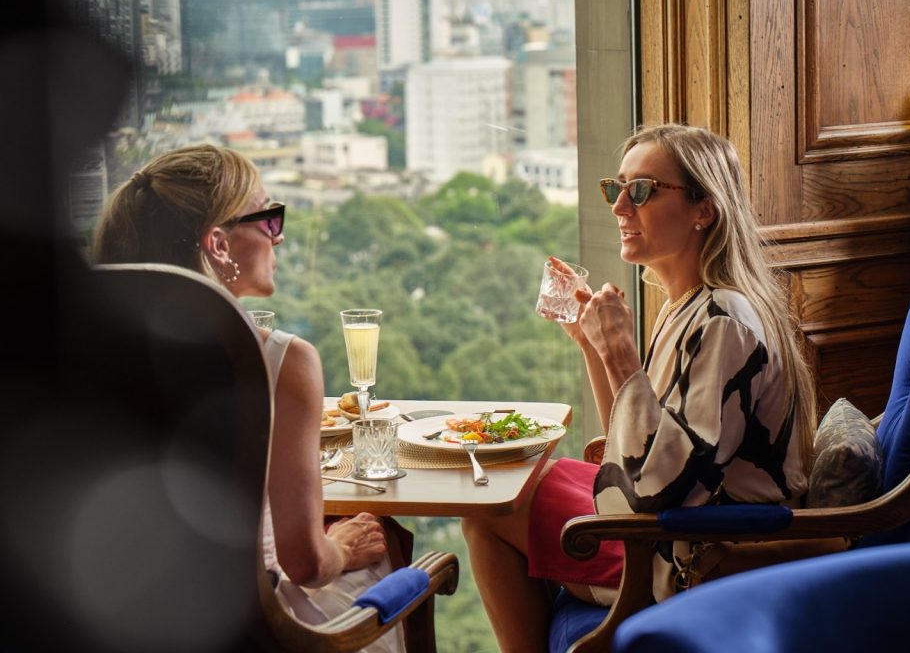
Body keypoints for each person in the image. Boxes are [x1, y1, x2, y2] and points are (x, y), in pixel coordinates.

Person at [461, 124, 817, 652]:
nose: (620, 206)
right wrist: (594, 347)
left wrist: (623, 354)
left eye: (644, 190)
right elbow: (633, 449)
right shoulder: (688, 304)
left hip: (694, 552)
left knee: (488, 515)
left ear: (705, 210)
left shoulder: (722, 321)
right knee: (516, 481)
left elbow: (665, 488)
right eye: (616, 187)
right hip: (669, 520)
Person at [93, 144, 404, 651]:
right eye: (268, 221)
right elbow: (304, 562)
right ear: (217, 243)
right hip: (247, 626)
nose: (277, 239)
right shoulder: (282, 361)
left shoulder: (89, 348)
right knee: (382, 548)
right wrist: (342, 551)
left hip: (117, 618)